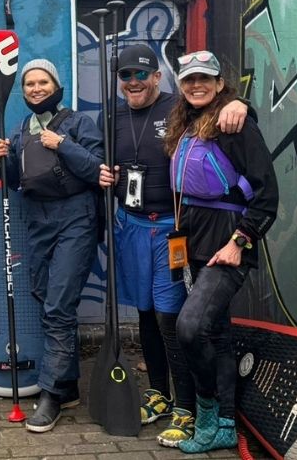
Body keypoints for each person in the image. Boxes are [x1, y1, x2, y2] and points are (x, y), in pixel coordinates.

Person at [96, 44, 248, 447]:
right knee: (145, 312)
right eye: (125, 75)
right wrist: (102, 173)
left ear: (157, 77)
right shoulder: (110, 114)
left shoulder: (177, 109)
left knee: (170, 317)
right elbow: (97, 157)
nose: (133, 82)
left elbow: (220, 107)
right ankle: (159, 394)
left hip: (172, 229)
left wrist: (242, 103)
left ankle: (185, 407)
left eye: (140, 75)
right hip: (129, 224)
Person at [163, 51, 277, 454]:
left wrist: (239, 242)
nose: (197, 85)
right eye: (189, 79)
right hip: (193, 240)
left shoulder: (236, 124)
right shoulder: (186, 122)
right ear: (180, 84)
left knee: (190, 327)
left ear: (219, 82)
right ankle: (226, 425)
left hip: (227, 244)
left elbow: (268, 197)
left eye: (204, 79)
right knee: (216, 332)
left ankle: (208, 412)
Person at [0, 59, 103, 433]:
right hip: (38, 221)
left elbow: (97, 171)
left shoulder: (78, 123)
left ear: (56, 84)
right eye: (29, 84)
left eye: (42, 82)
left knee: (58, 306)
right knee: (45, 296)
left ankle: (51, 394)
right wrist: (1, 159)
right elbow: (15, 181)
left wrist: (64, 145)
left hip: (76, 219)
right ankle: (68, 385)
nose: (35, 89)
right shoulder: (22, 129)